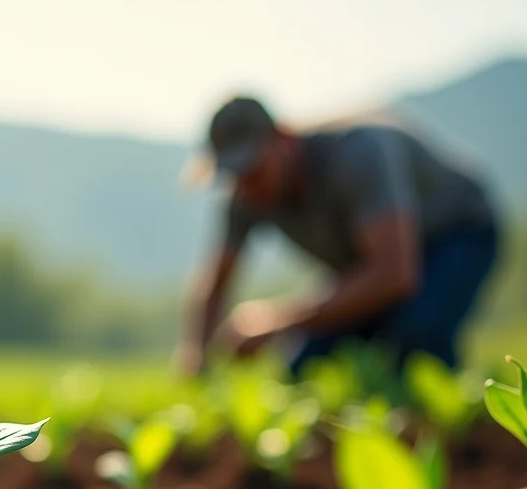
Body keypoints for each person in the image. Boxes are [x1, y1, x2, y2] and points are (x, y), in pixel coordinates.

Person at [178, 96, 498, 376]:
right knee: (304, 367)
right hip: (368, 264)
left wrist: (276, 319)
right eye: (234, 176)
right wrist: (198, 357)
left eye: (253, 171)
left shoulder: (357, 154)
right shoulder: (247, 196)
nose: (246, 187)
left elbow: (395, 275)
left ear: (284, 140)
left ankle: (457, 427)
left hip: (455, 234)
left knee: (417, 337)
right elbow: (217, 281)